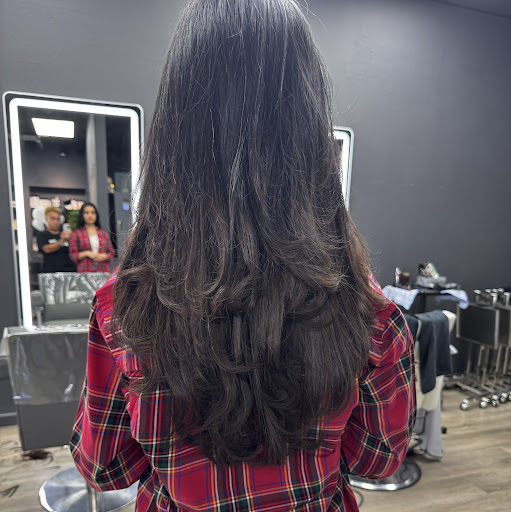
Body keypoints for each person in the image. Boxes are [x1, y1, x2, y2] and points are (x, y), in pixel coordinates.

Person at [70, 1, 415, 511]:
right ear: (310, 135)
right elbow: (377, 460)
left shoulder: (124, 309)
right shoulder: (368, 313)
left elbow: (104, 467)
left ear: (173, 137)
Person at [69, 202, 114, 273]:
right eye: (86, 213)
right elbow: (73, 255)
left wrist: (105, 256)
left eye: (93, 213)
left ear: (96, 215)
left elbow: (111, 252)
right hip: (85, 271)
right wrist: (86, 253)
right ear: (82, 215)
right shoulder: (77, 234)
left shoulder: (103, 233)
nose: (90, 215)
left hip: (103, 271)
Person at [36, 206, 76, 273]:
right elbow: (46, 249)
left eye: (58, 219)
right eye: (53, 219)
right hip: (51, 272)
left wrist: (71, 239)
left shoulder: (65, 234)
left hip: (69, 271)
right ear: (46, 219)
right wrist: (62, 241)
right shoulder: (42, 235)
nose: (56, 222)